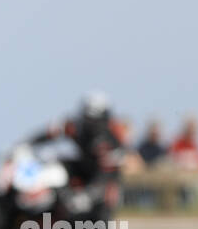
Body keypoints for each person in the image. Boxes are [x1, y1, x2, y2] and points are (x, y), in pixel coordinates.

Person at [28, 92, 125, 221]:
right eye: (88, 118)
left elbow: (105, 176)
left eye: (95, 120)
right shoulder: (75, 127)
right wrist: (28, 145)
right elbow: (50, 133)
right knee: (57, 164)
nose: (92, 125)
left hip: (101, 183)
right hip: (82, 169)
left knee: (105, 200)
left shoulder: (110, 142)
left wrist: (88, 195)